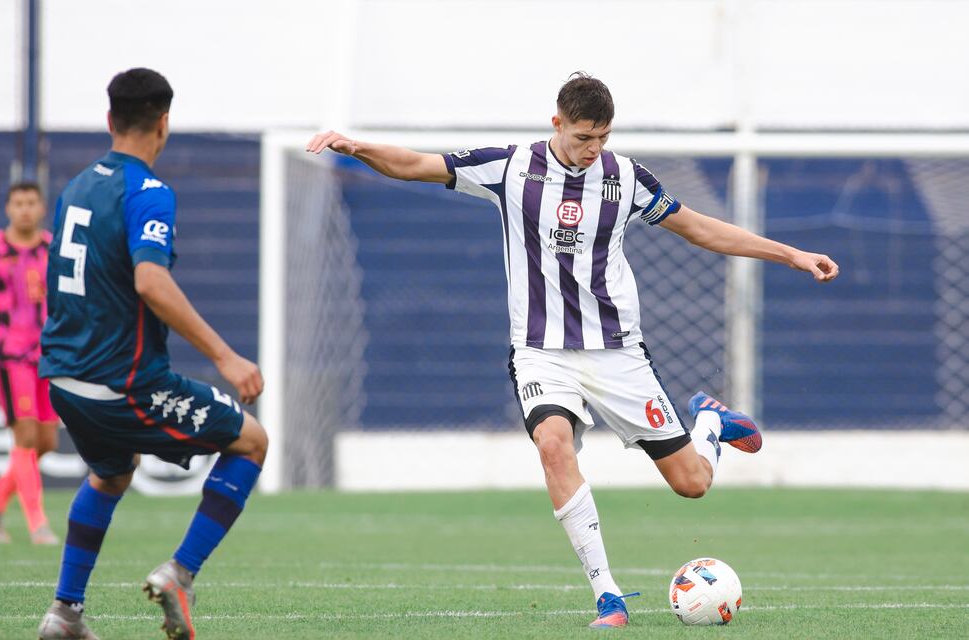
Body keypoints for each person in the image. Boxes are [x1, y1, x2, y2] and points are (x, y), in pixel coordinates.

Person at [306, 72, 839, 629]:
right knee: (553, 445)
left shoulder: (624, 178)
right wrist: (357, 146)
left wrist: (792, 254)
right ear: (557, 122)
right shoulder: (510, 168)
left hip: (616, 353)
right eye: (585, 137)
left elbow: (700, 229)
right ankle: (608, 596)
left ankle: (708, 421)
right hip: (541, 352)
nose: (594, 150)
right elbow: (415, 164)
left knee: (692, 485)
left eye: (603, 137)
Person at [35, 68, 268, 640]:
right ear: (164, 124)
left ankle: (65, 613)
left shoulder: (76, 188)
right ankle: (180, 575)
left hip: (63, 378)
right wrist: (226, 356)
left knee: (112, 473)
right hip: (123, 382)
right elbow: (151, 281)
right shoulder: (147, 191)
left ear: (109, 120)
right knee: (252, 440)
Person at [0, 182, 60, 546]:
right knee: (26, 435)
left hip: (48, 354)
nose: (25, 210)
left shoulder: (53, 248)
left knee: (46, 440)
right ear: (8, 208)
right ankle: (38, 524)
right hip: (9, 353)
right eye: (19, 203)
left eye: (32, 202)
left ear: (42, 207)